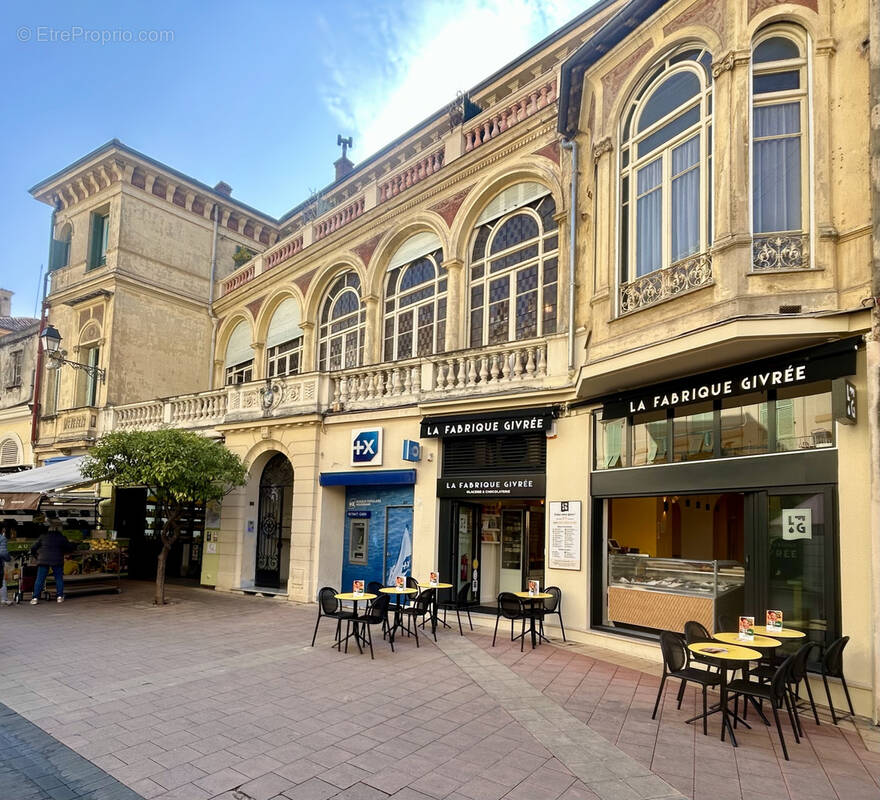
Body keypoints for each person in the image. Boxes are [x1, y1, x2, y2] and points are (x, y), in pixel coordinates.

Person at [29, 522, 75, 604]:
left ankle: (35, 598)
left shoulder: (43, 536)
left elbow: (33, 548)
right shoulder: (61, 537)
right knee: (58, 578)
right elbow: (69, 547)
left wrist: (37, 556)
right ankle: (59, 597)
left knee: (40, 579)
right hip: (57, 560)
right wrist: (74, 544)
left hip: (43, 560)